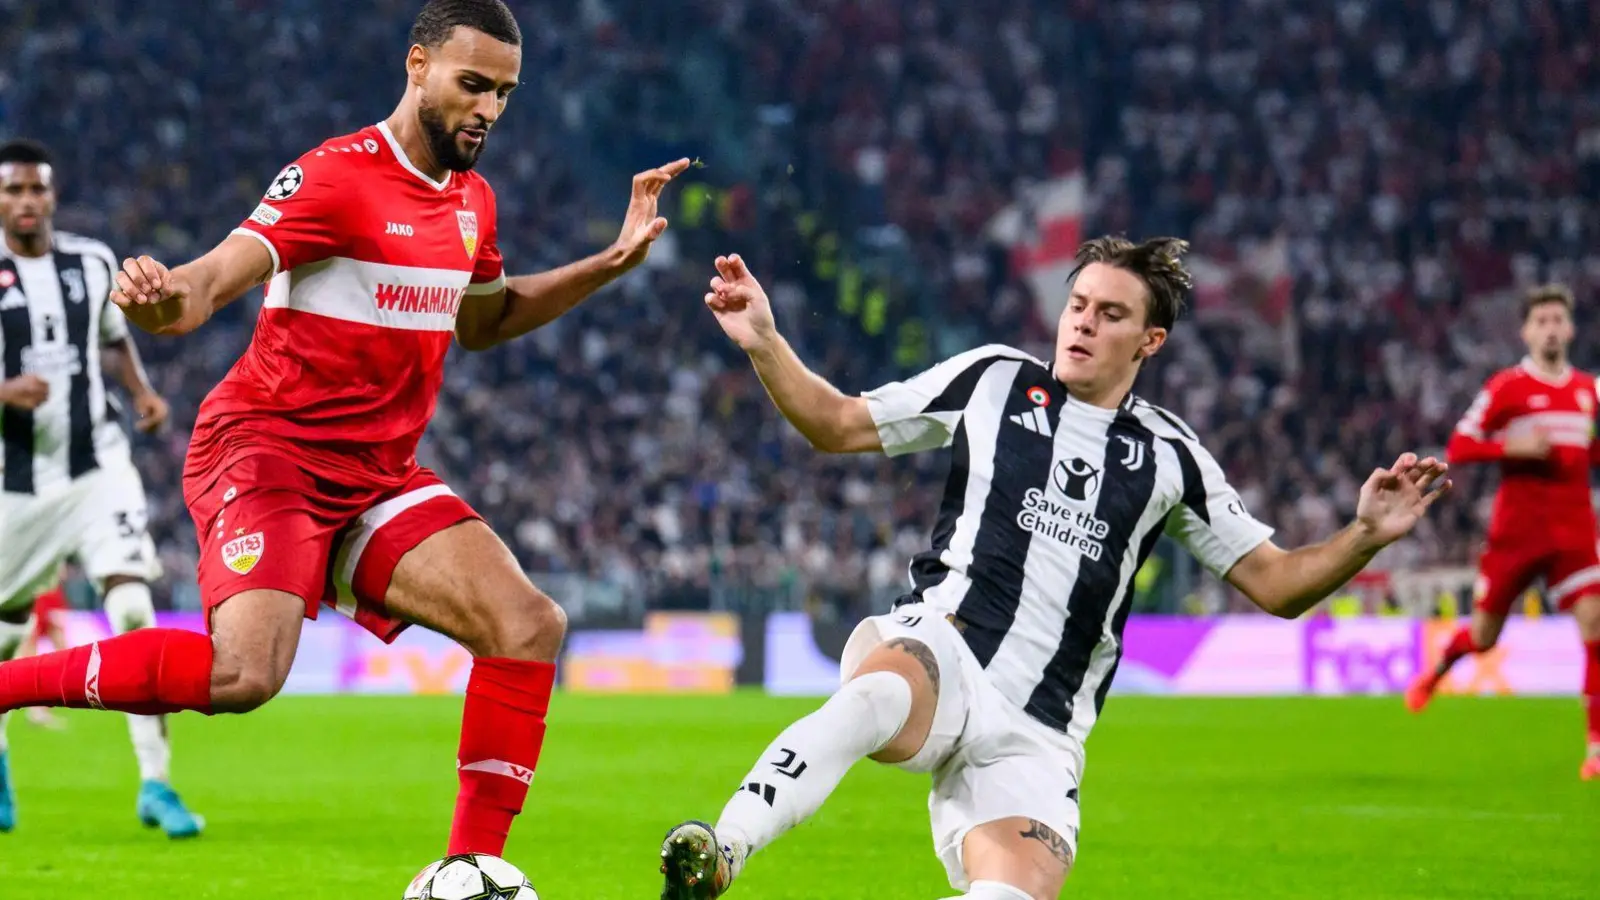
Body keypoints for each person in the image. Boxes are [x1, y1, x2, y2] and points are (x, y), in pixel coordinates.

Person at [0, 0, 688, 856]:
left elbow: (485, 319)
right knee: (244, 675)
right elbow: (209, 283)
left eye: (504, 94)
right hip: (267, 453)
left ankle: (468, 871)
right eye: (473, 85)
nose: (488, 111)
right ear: (417, 66)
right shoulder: (334, 175)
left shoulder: (474, 201)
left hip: (378, 474)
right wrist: (158, 297)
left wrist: (608, 264)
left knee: (528, 626)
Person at [658, 240, 1450, 900]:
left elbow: (1276, 584)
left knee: (1009, 896)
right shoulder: (994, 379)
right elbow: (837, 425)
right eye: (1078, 306)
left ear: (1150, 341)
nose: (1083, 324)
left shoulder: (1171, 459)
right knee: (877, 692)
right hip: (947, 647)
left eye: (1110, 315)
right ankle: (722, 849)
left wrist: (1364, 534)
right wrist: (765, 340)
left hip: (1042, 731)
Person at [0, 138, 197, 837]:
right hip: (15, 486)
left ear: (51, 195)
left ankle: (156, 784)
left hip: (97, 466)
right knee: (2, 639)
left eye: (36, 189)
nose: (27, 201)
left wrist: (141, 391)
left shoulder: (91, 261)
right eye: (14, 190)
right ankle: (0, 764)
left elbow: (113, 339)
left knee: (135, 610)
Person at [1406, 283, 1600, 780]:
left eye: (1559, 319)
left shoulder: (1589, 391)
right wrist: (1512, 450)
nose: (1551, 329)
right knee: (1486, 638)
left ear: (1571, 329)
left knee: (1596, 628)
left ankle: (1595, 750)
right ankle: (1437, 671)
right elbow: (1460, 444)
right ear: (1527, 330)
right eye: (1542, 321)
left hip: (1575, 532)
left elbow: (1587, 454)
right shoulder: (1506, 387)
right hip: (1516, 535)